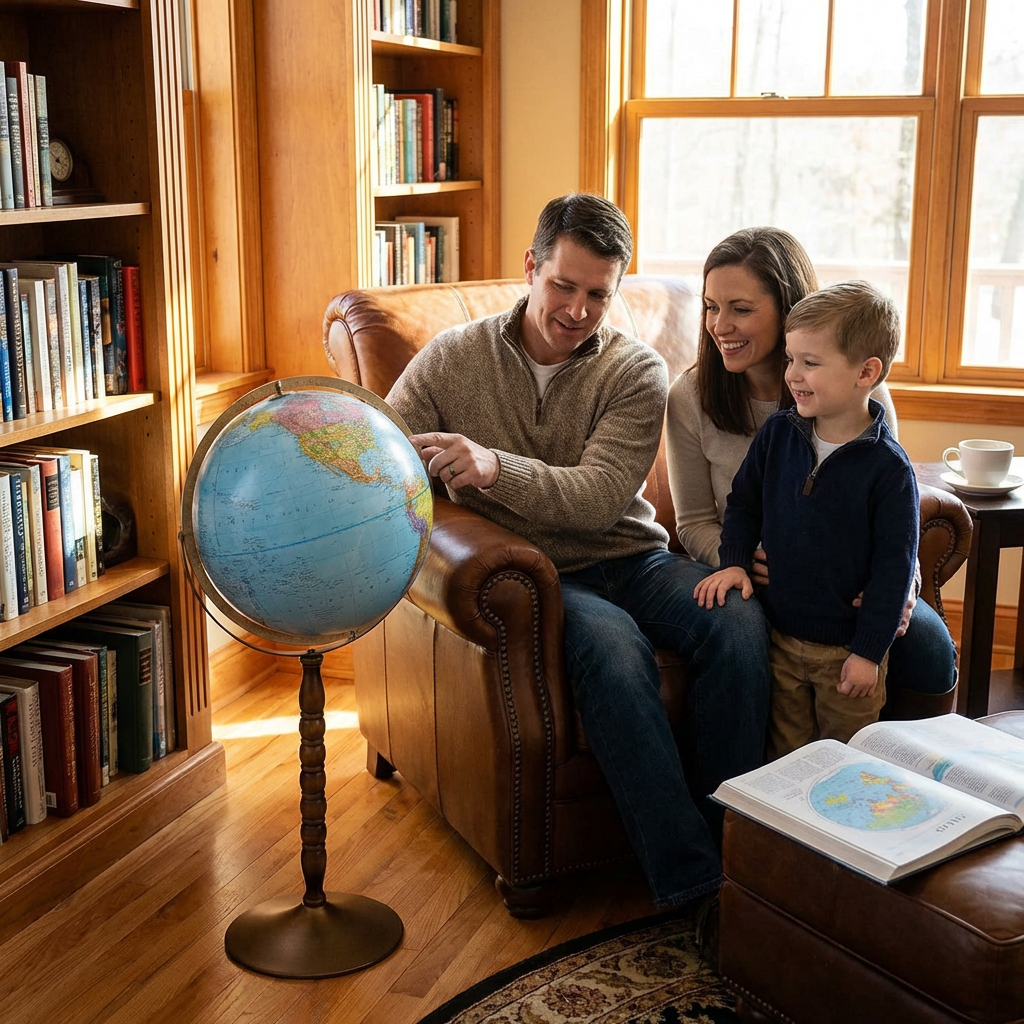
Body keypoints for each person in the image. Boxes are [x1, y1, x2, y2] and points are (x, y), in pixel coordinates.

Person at [386, 193, 769, 910]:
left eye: (599, 293)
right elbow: (382, 452)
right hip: (545, 580)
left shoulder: (636, 371)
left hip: (636, 560)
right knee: (616, 653)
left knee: (738, 623)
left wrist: (493, 466)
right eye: (564, 284)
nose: (578, 309)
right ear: (532, 267)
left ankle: (738, 851)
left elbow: (597, 497)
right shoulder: (452, 359)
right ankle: (697, 892)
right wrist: (410, 463)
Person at [665, 227, 957, 715]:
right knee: (746, 638)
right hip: (761, 582)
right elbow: (693, 521)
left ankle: (907, 783)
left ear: (787, 310)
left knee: (925, 642)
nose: (720, 325)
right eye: (711, 307)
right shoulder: (689, 397)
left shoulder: (860, 394)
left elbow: (895, 513)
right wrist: (741, 560)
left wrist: (903, 585)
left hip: (851, 588)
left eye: (740, 308)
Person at [695, 281, 919, 756]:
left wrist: (868, 651)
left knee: (846, 763)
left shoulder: (889, 469)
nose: (793, 374)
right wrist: (733, 561)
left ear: (866, 372)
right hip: (780, 640)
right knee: (786, 762)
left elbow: (894, 567)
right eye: (791, 360)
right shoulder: (779, 434)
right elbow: (743, 504)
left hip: (847, 655)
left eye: (810, 363)